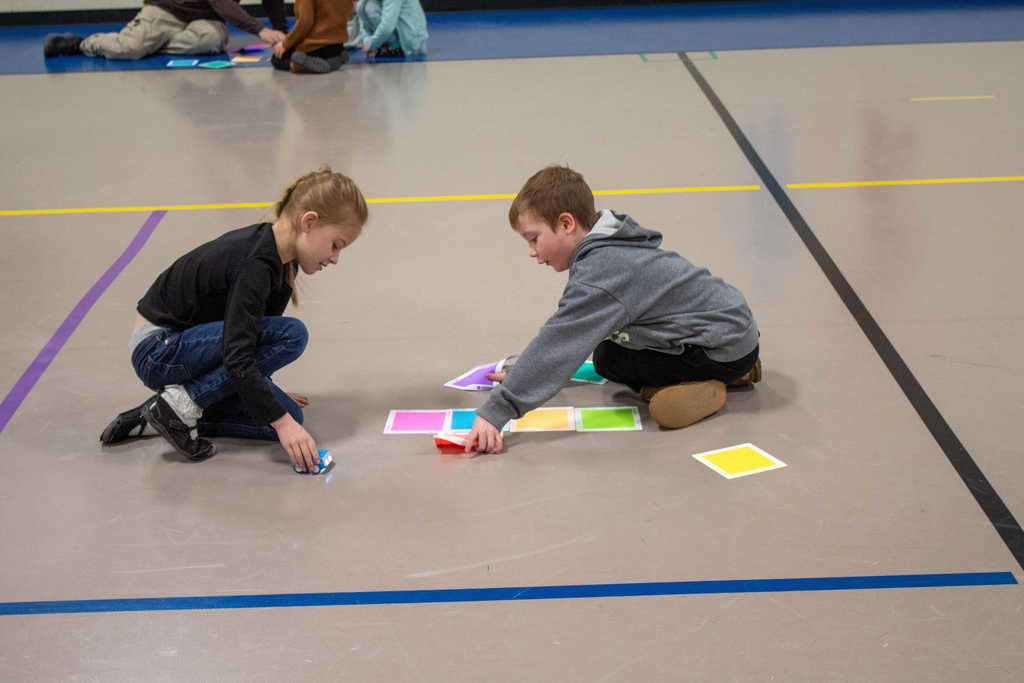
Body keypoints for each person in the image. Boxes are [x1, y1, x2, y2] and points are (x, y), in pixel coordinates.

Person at [465, 165, 761, 455]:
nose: (532, 250)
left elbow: (562, 339)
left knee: (611, 360)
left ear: (566, 224)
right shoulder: (609, 242)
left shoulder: (602, 271)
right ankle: (736, 370)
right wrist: (526, 375)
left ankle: (716, 379)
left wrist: (497, 411)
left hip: (720, 347)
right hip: (732, 331)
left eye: (533, 238)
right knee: (608, 352)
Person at [99, 167, 367, 473]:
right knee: (291, 336)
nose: (335, 258)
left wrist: (266, 391)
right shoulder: (255, 264)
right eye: (336, 244)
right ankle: (180, 405)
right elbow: (238, 354)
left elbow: (247, 343)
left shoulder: (281, 265)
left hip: (188, 346)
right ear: (309, 222)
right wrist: (281, 422)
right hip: (159, 349)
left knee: (291, 414)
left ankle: (159, 414)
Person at [43, 0, 288, 61]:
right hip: (167, 8)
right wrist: (260, 31)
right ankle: (82, 43)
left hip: (205, 17)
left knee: (212, 40)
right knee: (129, 49)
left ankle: (150, 44)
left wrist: (282, 34)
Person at [271, 0, 355, 74]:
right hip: (338, 44)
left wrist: (285, 44)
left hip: (316, 45)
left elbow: (305, 22)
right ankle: (336, 58)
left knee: (277, 59)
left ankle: (299, 64)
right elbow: (350, 12)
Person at [355, 0, 428, 60]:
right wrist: (367, 41)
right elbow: (362, 17)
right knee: (361, 5)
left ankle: (395, 46)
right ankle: (384, 45)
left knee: (371, 8)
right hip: (391, 35)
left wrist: (372, 44)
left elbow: (387, 26)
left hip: (410, 42)